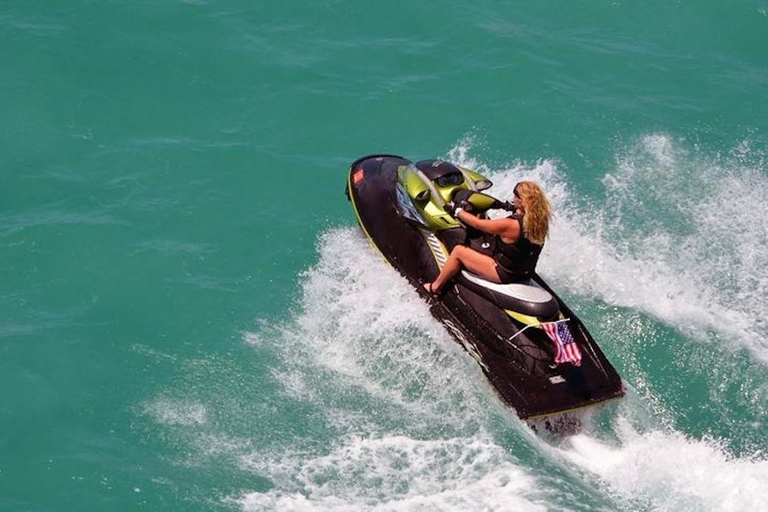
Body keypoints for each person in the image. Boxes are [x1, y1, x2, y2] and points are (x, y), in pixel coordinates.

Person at [423, 180, 552, 295]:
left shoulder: (511, 225)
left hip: (504, 273)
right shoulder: (540, 221)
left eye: (515, 196)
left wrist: (458, 211)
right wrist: (508, 207)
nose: (513, 198)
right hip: (524, 271)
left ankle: (435, 287)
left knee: (458, 251)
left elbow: (479, 224)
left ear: (522, 201)